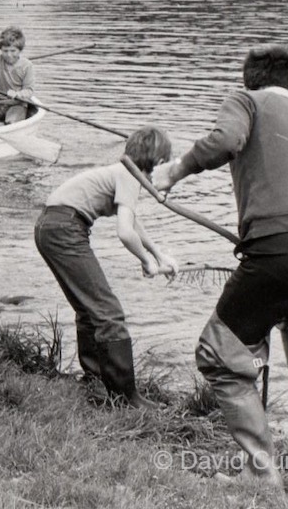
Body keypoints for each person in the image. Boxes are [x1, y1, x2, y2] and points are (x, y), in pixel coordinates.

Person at [154, 45, 288, 492]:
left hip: (281, 248)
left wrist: (174, 171)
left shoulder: (246, 100)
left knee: (218, 354)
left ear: (250, 82)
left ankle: (260, 477)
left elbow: (224, 142)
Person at [35, 127, 178, 408]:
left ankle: (95, 378)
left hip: (49, 226)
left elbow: (133, 222)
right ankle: (126, 397)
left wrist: (158, 255)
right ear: (160, 163)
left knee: (89, 308)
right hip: (64, 228)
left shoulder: (122, 171)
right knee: (109, 312)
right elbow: (125, 232)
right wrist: (146, 262)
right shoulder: (130, 176)